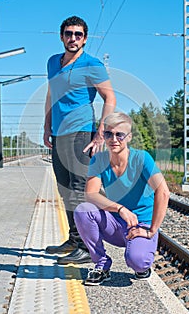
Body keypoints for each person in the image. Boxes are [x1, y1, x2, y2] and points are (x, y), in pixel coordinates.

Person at [43, 16, 116, 265]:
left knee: (79, 190)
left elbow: (110, 99)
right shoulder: (53, 62)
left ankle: (87, 247)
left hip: (81, 133)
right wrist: (46, 125)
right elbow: (51, 94)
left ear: (84, 38)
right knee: (65, 188)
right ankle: (74, 239)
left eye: (78, 34)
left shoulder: (92, 65)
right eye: (68, 33)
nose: (73, 38)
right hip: (58, 133)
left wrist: (100, 134)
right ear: (61, 36)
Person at [74, 112, 170, 285]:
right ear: (103, 136)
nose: (114, 139)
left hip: (140, 225)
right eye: (108, 134)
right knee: (83, 210)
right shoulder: (99, 160)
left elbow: (163, 192)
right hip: (116, 224)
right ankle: (101, 265)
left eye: (119, 134)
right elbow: (91, 194)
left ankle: (142, 259)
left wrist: (151, 230)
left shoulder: (142, 158)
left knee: (138, 262)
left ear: (129, 136)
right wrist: (120, 209)